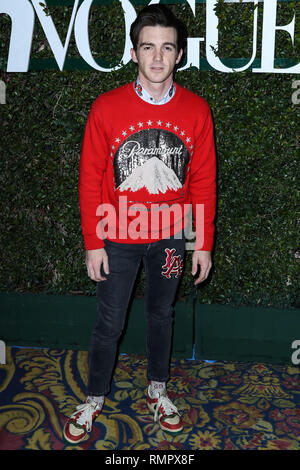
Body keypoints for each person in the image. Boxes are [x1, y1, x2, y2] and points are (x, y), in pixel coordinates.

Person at [63, 4, 216, 445]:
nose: (156, 57)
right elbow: (91, 178)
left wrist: (201, 243)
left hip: (170, 237)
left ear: (179, 54)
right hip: (117, 237)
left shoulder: (197, 111)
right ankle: (94, 397)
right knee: (109, 322)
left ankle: (157, 389)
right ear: (134, 52)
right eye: (148, 47)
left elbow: (204, 180)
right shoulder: (107, 107)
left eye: (166, 48)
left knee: (161, 316)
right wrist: (94, 243)